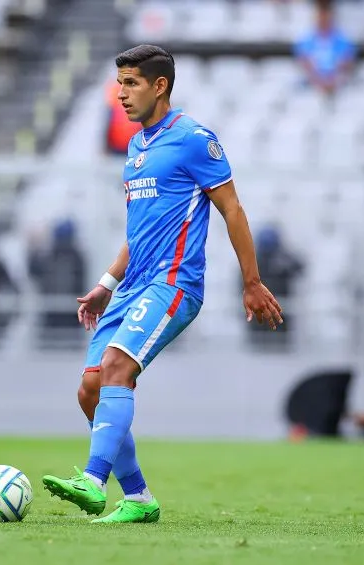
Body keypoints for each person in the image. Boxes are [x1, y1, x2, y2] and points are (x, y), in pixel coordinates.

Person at [41, 45, 283, 524]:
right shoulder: (136, 147)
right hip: (131, 287)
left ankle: (92, 481)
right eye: (119, 83)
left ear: (160, 86)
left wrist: (252, 281)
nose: (121, 94)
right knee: (89, 391)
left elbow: (232, 208)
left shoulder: (194, 139)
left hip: (172, 285)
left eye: (131, 83)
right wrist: (108, 282)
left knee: (115, 367)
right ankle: (139, 498)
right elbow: (141, 230)